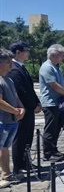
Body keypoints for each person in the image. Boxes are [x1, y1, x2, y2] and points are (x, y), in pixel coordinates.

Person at [7, 41, 41, 176]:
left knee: (28, 137)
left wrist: (37, 103)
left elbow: (30, 89)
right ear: (18, 52)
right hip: (22, 109)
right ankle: (18, 165)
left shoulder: (21, 67)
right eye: (26, 50)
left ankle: (26, 162)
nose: (28, 53)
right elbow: (21, 91)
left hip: (29, 109)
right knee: (20, 138)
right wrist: (32, 106)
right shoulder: (14, 69)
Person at [39, 44, 64, 160]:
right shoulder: (47, 67)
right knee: (51, 129)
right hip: (50, 103)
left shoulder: (56, 67)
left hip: (58, 102)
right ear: (53, 55)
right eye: (61, 56)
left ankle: (54, 149)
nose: (62, 58)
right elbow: (53, 84)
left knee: (57, 127)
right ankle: (47, 153)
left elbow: (61, 83)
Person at [0, 49, 25, 187]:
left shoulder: (9, 79)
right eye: (7, 62)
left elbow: (15, 97)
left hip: (12, 121)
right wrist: (15, 110)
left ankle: (6, 173)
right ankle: (4, 174)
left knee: (5, 147)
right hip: (2, 120)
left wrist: (21, 108)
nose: (11, 64)